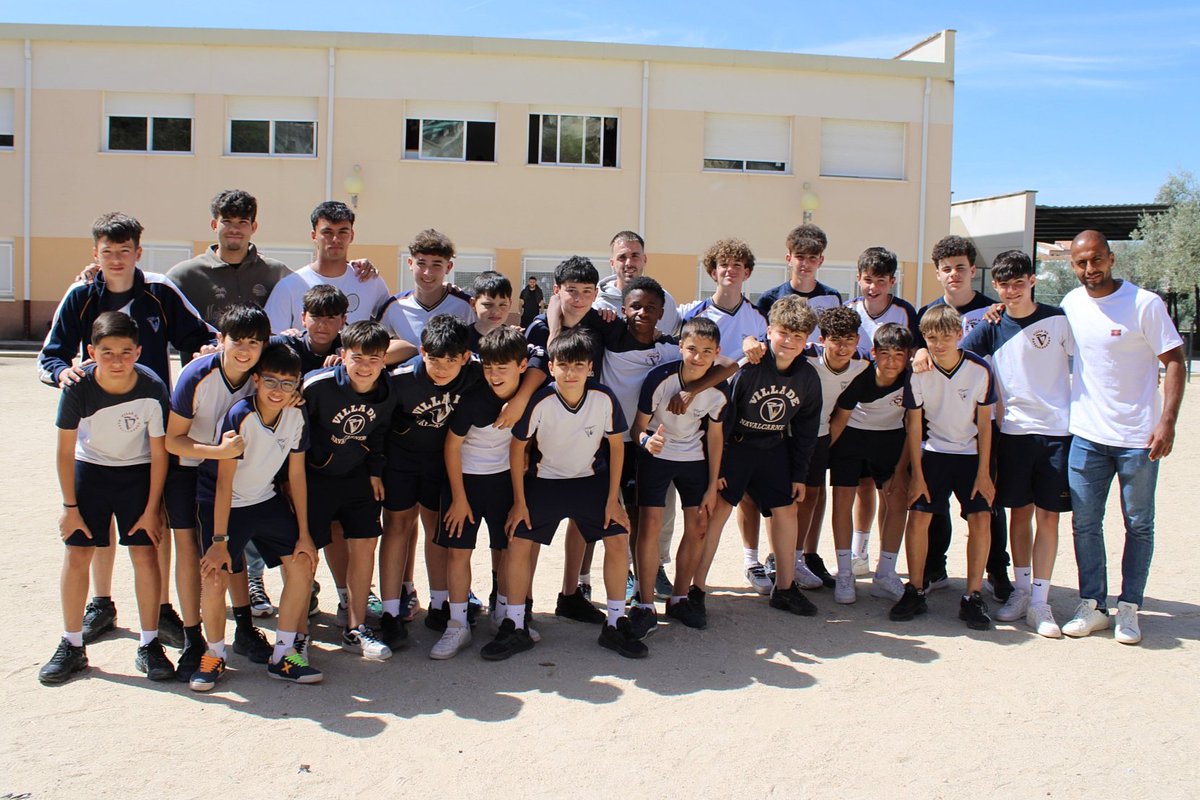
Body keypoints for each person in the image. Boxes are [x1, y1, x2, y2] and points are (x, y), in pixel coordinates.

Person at [37, 211, 215, 653]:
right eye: (107, 252)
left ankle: (161, 609)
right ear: (95, 254)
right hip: (97, 434)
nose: (116, 259)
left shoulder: (160, 291)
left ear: (138, 252)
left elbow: (201, 337)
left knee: (153, 522)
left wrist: (207, 355)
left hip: (152, 429)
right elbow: (51, 355)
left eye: (124, 251)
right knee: (97, 524)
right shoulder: (81, 295)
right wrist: (63, 374)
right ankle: (101, 603)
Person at [482, 328, 641, 660]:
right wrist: (519, 502)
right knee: (518, 539)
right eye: (564, 365)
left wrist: (614, 500)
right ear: (551, 367)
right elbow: (518, 447)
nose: (571, 373)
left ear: (590, 368)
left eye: (579, 365)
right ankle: (515, 624)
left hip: (589, 480)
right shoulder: (541, 400)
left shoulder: (604, 398)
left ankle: (615, 622)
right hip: (545, 481)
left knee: (618, 536)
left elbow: (616, 446)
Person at [1057, 230, 1184, 644]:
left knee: (1139, 524)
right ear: (1072, 265)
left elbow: (1175, 360)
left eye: (1096, 259)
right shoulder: (1071, 304)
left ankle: (1129, 606)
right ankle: (1093, 605)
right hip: (1087, 436)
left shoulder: (1145, 303)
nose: (1089, 269)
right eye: (1081, 263)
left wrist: (1167, 421)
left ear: (1111, 259)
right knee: (1085, 524)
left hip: (1138, 438)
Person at [39, 312, 173, 684]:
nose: (117, 361)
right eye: (107, 352)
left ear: (139, 352)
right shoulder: (77, 386)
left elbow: (159, 453)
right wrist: (69, 508)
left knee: (145, 555)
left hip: (136, 475)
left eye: (126, 352)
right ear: (91, 351)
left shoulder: (152, 386)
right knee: (77, 553)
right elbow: (64, 451)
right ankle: (72, 644)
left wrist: (152, 509)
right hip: (91, 473)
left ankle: (150, 644)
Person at [191, 343, 320, 690]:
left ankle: (284, 654)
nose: (278, 390)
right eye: (271, 381)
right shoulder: (241, 416)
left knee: (303, 562)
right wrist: (219, 541)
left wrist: (304, 533)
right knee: (214, 574)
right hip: (225, 504)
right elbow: (223, 483)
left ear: (297, 384)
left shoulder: (296, 414)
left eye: (287, 383)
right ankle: (214, 655)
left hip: (265, 499)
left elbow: (296, 475)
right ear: (257, 380)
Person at [957, 250, 1073, 637]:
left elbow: (1090, 361)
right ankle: (1021, 592)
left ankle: (1040, 600)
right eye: (1004, 285)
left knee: (1049, 517)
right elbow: (958, 356)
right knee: (1019, 514)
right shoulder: (992, 324)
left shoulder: (1058, 319)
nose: (1011, 291)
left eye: (1019, 283)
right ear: (995, 286)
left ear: (1032, 281)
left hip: (1057, 432)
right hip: (1013, 434)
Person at [688, 295, 823, 618]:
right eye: (783, 333)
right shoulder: (749, 367)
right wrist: (717, 469)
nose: (789, 342)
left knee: (787, 510)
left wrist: (799, 475)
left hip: (773, 447)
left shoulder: (808, 377)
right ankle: (696, 589)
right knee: (716, 513)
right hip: (737, 446)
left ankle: (785, 588)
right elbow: (722, 419)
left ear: (807, 340)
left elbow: (806, 430)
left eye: (798, 336)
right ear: (770, 331)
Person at [164, 303, 275, 679]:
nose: (245, 350)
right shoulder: (197, 374)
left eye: (254, 342)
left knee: (233, 546)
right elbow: (173, 440)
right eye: (237, 341)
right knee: (190, 552)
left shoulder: (261, 374)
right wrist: (216, 452)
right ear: (220, 339)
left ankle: (244, 628)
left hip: (231, 473)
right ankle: (193, 638)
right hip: (189, 470)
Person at [917, 235, 1014, 604]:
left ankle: (996, 569)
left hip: (984, 418)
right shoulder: (927, 313)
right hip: (940, 421)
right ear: (938, 273)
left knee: (987, 499)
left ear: (973, 270)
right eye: (946, 268)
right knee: (935, 500)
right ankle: (935, 567)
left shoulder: (995, 311)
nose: (954, 274)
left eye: (960, 267)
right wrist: (918, 353)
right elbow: (919, 351)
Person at [892, 305, 997, 630]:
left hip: (971, 455)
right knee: (919, 516)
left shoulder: (979, 369)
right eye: (932, 338)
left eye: (946, 337)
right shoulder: (920, 372)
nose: (939, 344)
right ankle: (915, 589)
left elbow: (985, 424)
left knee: (980, 518)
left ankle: (973, 596)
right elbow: (913, 425)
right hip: (933, 452)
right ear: (924, 338)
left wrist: (984, 472)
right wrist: (917, 475)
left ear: (960, 334)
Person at [301, 321, 400, 659]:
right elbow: (294, 434)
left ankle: (356, 628)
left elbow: (379, 433)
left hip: (357, 474)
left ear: (384, 359)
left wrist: (375, 471)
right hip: (315, 478)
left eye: (374, 359)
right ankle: (296, 633)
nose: (365, 366)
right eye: (357, 357)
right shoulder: (317, 386)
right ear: (342, 355)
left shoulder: (387, 390)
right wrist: (289, 481)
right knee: (306, 551)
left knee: (365, 543)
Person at [678, 239, 773, 594]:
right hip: (695, 421)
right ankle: (674, 580)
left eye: (737, 265)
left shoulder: (758, 318)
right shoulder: (692, 312)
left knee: (726, 502)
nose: (729, 271)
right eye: (723, 265)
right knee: (694, 507)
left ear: (747, 272)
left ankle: (701, 584)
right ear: (712, 271)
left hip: (737, 423)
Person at [436, 326, 535, 659]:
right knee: (458, 553)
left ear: (522, 366)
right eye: (489, 367)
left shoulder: (530, 393)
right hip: (465, 483)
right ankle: (457, 624)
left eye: (502, 368)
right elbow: (452, 447)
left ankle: (504, 615)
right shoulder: (475, 398)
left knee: (507, 550)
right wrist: (459, 498)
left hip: (504, 482)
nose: (494, 375)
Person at [379, 315, 482, 636]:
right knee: (396, 526)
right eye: (434, 359)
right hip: (401, 460)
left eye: (451, 360)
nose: (441, 368)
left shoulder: (475, 373)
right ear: (423, 352)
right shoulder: (400, 379)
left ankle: (439, 605)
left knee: (437, 529)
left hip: (442, 461)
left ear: (465, 357)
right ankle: (390, 611)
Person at [628, 316, 729, 630]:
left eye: (707, 351)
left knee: (698, 525)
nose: (698, 357)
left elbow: (715, 436)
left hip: (694, 459)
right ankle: (645, 603)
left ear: (717, 353)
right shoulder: (659, 379)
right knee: (650, 525)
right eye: (692, 349)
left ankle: (680, 598)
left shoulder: (718, 389)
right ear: (681, 346)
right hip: (657, 456)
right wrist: (646, 441)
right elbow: (637, 427)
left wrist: (712, 484)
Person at [843, 246, 919, 578]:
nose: (873, 287)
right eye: (868, 280)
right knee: (861, 488)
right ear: (859, 279)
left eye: (881, 281)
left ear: (892, 281)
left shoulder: (904, 311)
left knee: (891, 491)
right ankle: (859, 552)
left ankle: (885, 566)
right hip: (856, 413)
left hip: (892, 417)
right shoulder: (849, 311)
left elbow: (916, 354)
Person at [827, 323, 913, 605]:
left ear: (908, 356)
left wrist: (901, 470)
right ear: (874, 353)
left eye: (899, 355)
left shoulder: (913, 379)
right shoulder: (860, 376)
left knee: (897, 501)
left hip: (891, 441)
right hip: (851, 439)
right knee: (842, 501)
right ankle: (845, 572)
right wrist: (821, 456)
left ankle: (885, 573)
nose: (891, 362)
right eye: (885, 354)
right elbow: (840, 419)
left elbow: (912, 425)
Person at [166, 189, 293, 323]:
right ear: (214, 225)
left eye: (242, 222)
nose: (234, 229)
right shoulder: (184, 276)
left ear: (253, 227)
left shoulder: (277, 273)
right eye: (227, 221)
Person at [264, 201, 391, 332]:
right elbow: (271, 336)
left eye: (342, 232)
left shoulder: (370, 281)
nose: (336, 239)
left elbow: (392, 330)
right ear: (314, 235)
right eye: (327, 232)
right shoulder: (289, 286)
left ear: (352, 235)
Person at [376, 228, 476, 348]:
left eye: (436, 265)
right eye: (421, 263)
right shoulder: (393, 307)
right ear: (410, 263)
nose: (428, 272)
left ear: (448, 267)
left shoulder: (465, 306)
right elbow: (374, 348)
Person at [755, 223, 843, 341]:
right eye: (800, 257)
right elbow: (759, 337)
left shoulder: (832, 298)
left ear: (821, 261)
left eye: (812, 257)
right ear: (789, 259)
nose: (805, 264)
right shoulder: (769, 299)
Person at [594, 231, 681, 335]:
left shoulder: (664, 300)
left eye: (635, 256)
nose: (629, 263)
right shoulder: (599, 305)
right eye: (622, 257)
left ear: (644, 260)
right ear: (612, 263)